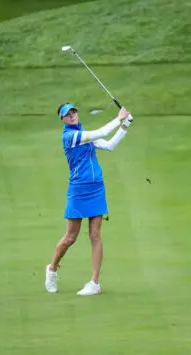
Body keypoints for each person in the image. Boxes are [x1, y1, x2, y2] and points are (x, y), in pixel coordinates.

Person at [45, 103, 133, 295]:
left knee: (95, 236)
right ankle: (52, 269)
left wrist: (124, 127)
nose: (72, 116)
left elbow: (109, 145)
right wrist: (118, 118)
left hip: (96, 188)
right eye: (67, 114)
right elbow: (101, 133)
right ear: (62, 120)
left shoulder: (83, 134)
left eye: (73, 112)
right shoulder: (71, 137)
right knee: (70, 238)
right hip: (78, 189)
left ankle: (95, 283)